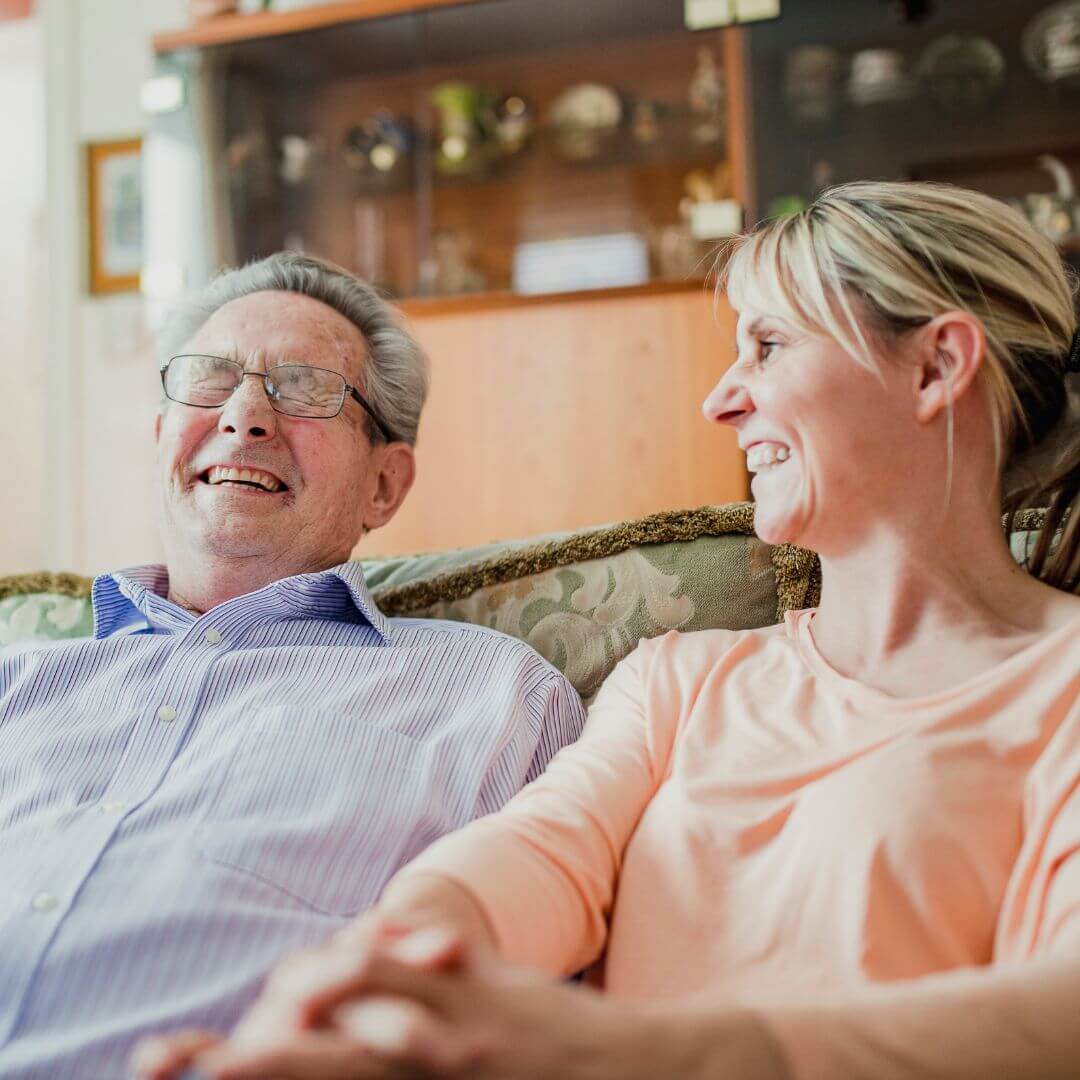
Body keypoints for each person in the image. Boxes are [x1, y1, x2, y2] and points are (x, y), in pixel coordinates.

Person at [139, 180, 1080, 1080]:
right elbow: (540, 852)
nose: (721, 399)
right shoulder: (683, 676)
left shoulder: (1061, 682)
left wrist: (625, 1055)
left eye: (768, 346)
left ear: (937, 366)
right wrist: (386, 973)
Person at [0, 253, 585, 1080]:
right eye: (208, 379)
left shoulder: (493, 698)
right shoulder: (17, 678)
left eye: (306, 386)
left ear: (386, 483)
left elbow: (528, 1013)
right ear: (163, 432)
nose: (244, 415)